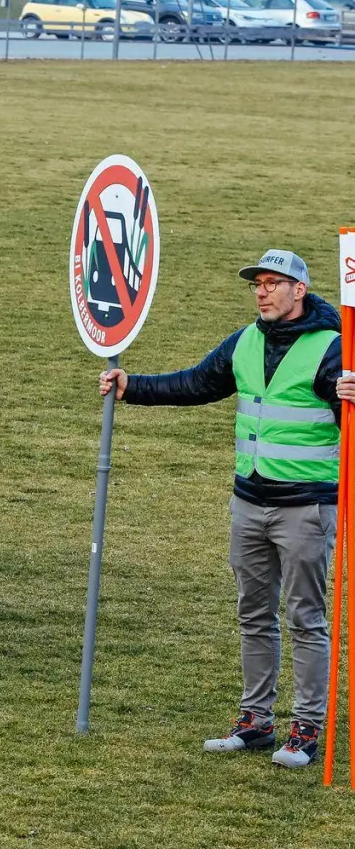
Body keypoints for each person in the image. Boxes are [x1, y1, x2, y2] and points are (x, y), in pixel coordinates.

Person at [101, 250, 355, 769]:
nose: (262, 292)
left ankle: (306, 729)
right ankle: (255, 721)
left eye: (273, 283)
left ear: (299, 290)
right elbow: (197, 383)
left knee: (306, 618)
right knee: (253, 615)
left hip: (306, 509)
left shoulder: (332, 349)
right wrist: (133, 388)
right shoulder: (245, 341)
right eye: (257, 284)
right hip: (249, 503)